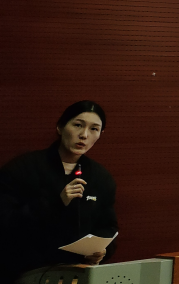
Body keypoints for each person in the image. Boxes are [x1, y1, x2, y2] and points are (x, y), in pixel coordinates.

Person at [0, 101, 118, 282]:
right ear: (60, 127)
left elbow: (108, 227)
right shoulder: (24, 167)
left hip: (77, 273)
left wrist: (102, 251)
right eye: (78, 125)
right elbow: (6, 223)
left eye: (94, 129)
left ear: (100, 135)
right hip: (25, 272)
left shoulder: (101, 177)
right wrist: (55, 202)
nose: (84, 135)